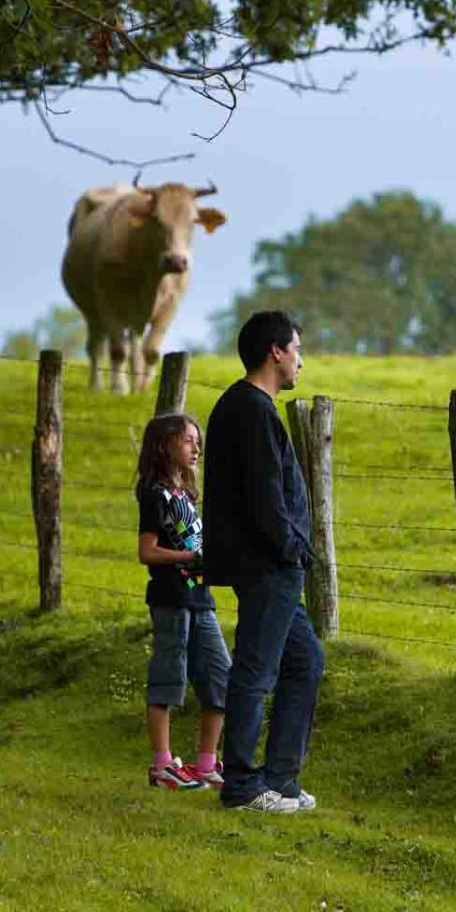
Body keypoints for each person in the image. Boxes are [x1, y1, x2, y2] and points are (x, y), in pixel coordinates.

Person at [203, 310, 323, 814]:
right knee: (255, 669)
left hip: (272, 563)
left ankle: (281, 780)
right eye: (296, 348)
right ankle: (243, 787)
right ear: (275, 351)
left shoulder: (246, 406)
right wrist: (291, 547)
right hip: (268, 564)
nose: (300, 360)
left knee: (305, 661)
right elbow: (264, 496)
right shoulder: (251, 411)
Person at [135, 413, 231, 791]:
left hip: (200, 600)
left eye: (197, 441)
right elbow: (147, 551)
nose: (197, 448)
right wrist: (189, 559)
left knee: (220, 678)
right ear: (166, 445)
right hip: (171, 600)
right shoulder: (154, 493)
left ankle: (205, 764)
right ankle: (162, 765)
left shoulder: (186, 495)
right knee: (167, 678)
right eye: (189, 440)